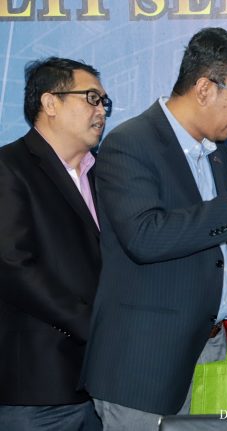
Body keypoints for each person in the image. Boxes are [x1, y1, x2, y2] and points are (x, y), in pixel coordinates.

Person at [81, 27, 227, 430]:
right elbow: (145, 236)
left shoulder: (217, 152)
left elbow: (214, 235)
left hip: (210, 353)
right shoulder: (129, 143)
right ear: (204, 88)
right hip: (144, 367)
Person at [0, 57, 108, 430]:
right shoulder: (9, 167)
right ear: (50, 103)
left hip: (101, 386)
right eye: (92, 98)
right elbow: (12, 265)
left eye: (104, 102)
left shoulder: (102, 174)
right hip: (37, 387)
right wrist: (92, 325)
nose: (101, 111)